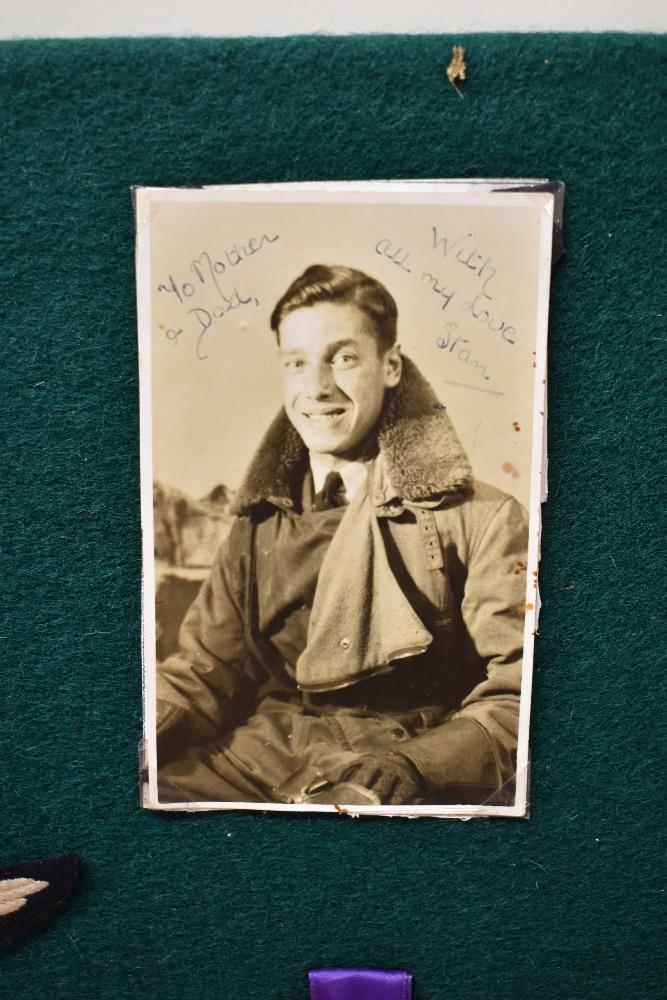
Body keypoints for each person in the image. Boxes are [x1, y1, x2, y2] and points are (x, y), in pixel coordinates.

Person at [156, 264, 528, 806]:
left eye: (344, 358)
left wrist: (414, 764)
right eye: (297, 363)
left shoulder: (480, 516)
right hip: (261, 756)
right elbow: (204, 676)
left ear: (391, 366)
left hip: (400, 761)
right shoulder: (256, 523)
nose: (317, 388)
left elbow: (521, 695)